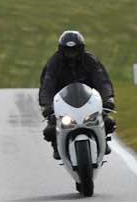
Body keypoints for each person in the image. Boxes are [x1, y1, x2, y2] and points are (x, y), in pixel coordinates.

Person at [38, 30, 116, 160]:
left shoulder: (90, 60)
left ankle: (103, 138)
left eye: (74, 50)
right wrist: (47, 105)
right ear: (61, 50)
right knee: (50, 131)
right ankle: (56, 144)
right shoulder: (54, 63)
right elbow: (47, 85)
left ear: (81, 49)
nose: (71, 54)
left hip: (89, 100)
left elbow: (102, 80)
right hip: (62, 103)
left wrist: (108, 98)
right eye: (68, 51)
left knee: (108, 122)